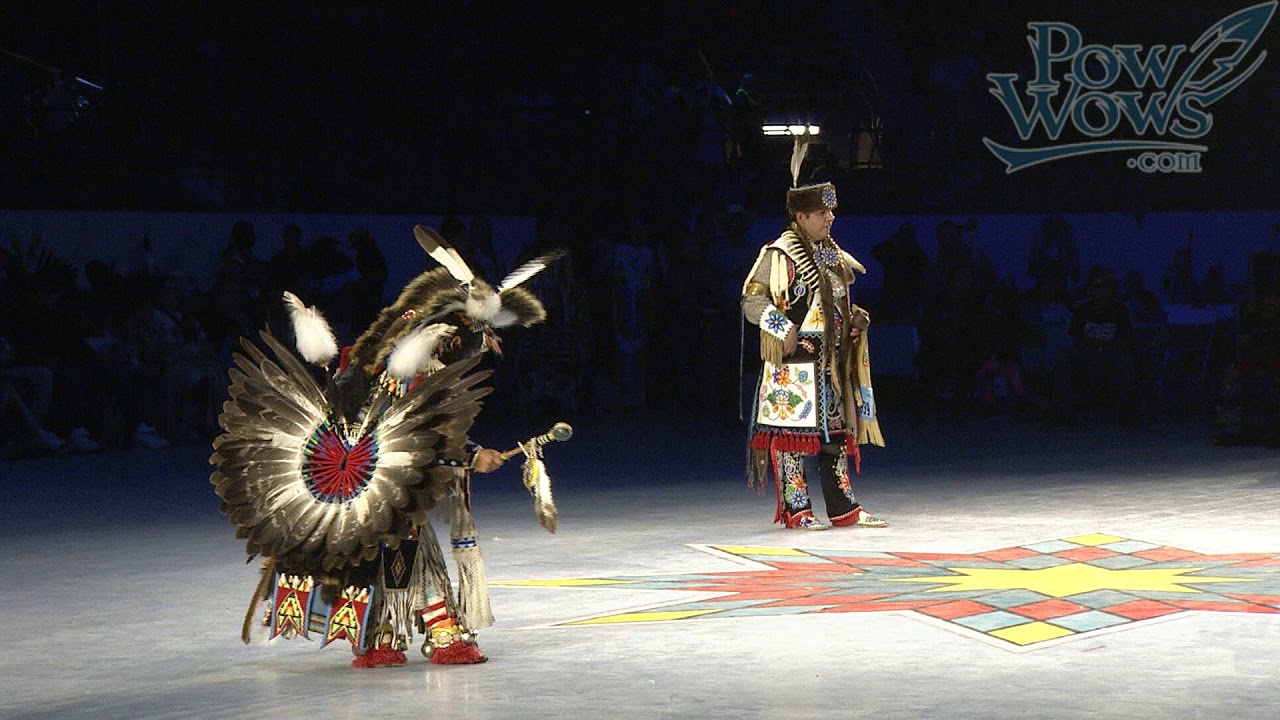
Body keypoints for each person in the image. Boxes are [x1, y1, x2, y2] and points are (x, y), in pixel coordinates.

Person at [212, 224, 565, 668]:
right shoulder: (406, 372)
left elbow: (414, 429)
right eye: (472, 342)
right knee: (407, 546)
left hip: (363, 478)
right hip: (376, 477)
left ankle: (382, 636)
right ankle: (440, 632)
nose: (479, 348)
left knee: (383, 551)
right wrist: (474, 456)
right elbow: (423, 436)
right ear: (450, 336)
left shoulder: (377, 362)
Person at [740, 137, 888, 530]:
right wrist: (780, 326)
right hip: (794, 366)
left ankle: (843, 508)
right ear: (801, 217)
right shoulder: (779, 254)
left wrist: (853, 319)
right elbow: (751, 302)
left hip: (831, 367)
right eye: (822, 213)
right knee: (791, 443)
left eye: (831, 212)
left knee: (834, 439)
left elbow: (832, 306)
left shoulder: (832, 255)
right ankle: (797, 509)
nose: (830, 218)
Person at [1052, 266, 1139, 424]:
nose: (1099, 292)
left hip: (1111, 355)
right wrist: (1092, 345)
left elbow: (1126, 339)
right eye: (1095, 287)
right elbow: (1076, 338)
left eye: (1104, 287)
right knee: (1062, 357)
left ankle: (1125, 413)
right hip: (1087, 355)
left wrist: (1107, 346)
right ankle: (1065, 413)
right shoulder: (1082, 310)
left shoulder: (1120, 310)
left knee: (1127, 361)